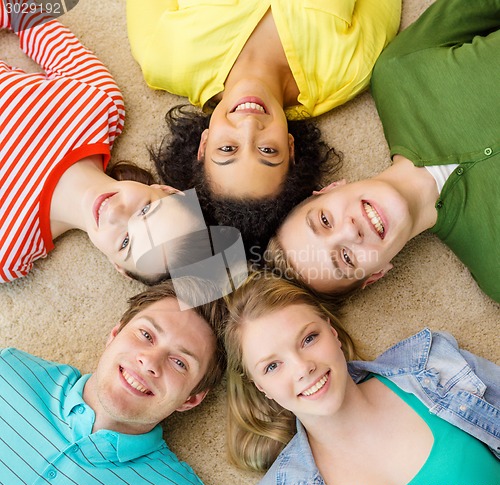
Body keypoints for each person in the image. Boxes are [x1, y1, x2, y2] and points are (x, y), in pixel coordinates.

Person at [265, 0, 500, 302]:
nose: (350, 231)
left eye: (324, 220)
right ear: (376, 274)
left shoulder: (399, 74)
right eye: (346, 259)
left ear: (329, 189)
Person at [127, 0, 402, 255]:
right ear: (290, 147)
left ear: (203, 144)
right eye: (268, 150)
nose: (249, 126)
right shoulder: (349, 71)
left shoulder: (162, 56)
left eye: (227, 148)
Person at [223, 272, 500, 485]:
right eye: (272, 366)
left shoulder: (433, 365)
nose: (302, 368)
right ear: (261, 387)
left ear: (332, 333)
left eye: (308, 339)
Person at [0, 3, 205, 285]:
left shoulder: (9, 253)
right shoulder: (101, 106)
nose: (116, 214)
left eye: (125, 243)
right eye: (145, 210)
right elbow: (23, 13)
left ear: (117, 266)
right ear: (165, 189)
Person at [0, 277, 226, 485]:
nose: (149, 363)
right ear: (114, 335)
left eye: (179, 363)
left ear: (191, 399)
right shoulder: (8, 371)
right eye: (146, 335)